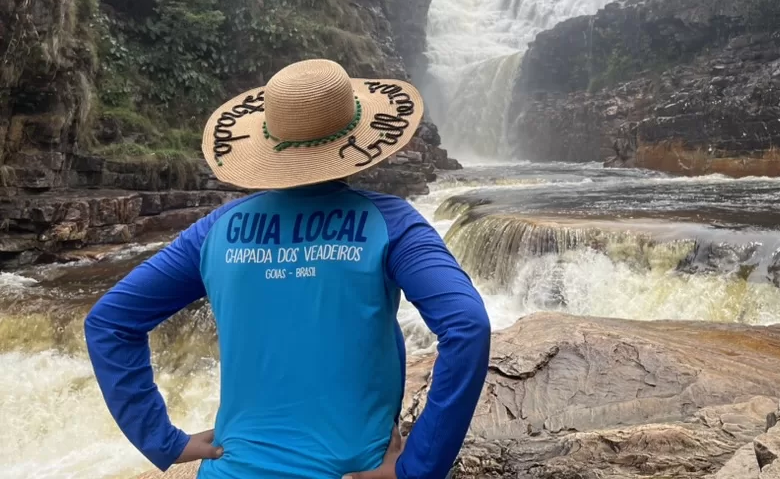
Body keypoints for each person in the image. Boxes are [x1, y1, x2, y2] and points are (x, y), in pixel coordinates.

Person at [84, 59, 491, 479]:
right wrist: (419, 467)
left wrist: (162, 439)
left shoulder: (214, 231)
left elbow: (109, 322)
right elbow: (468, 326)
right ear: (361, 137)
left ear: (268, 146)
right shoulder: (393, 223)